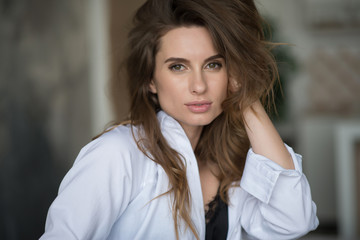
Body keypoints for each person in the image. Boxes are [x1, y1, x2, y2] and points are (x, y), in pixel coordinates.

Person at [40, 0, 319, 239]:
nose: (199, 85)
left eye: (213, 64)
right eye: (178, 66)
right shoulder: (117, 154)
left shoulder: (232, 163)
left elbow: (294, 221)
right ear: (151, 78)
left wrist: (245, 96)